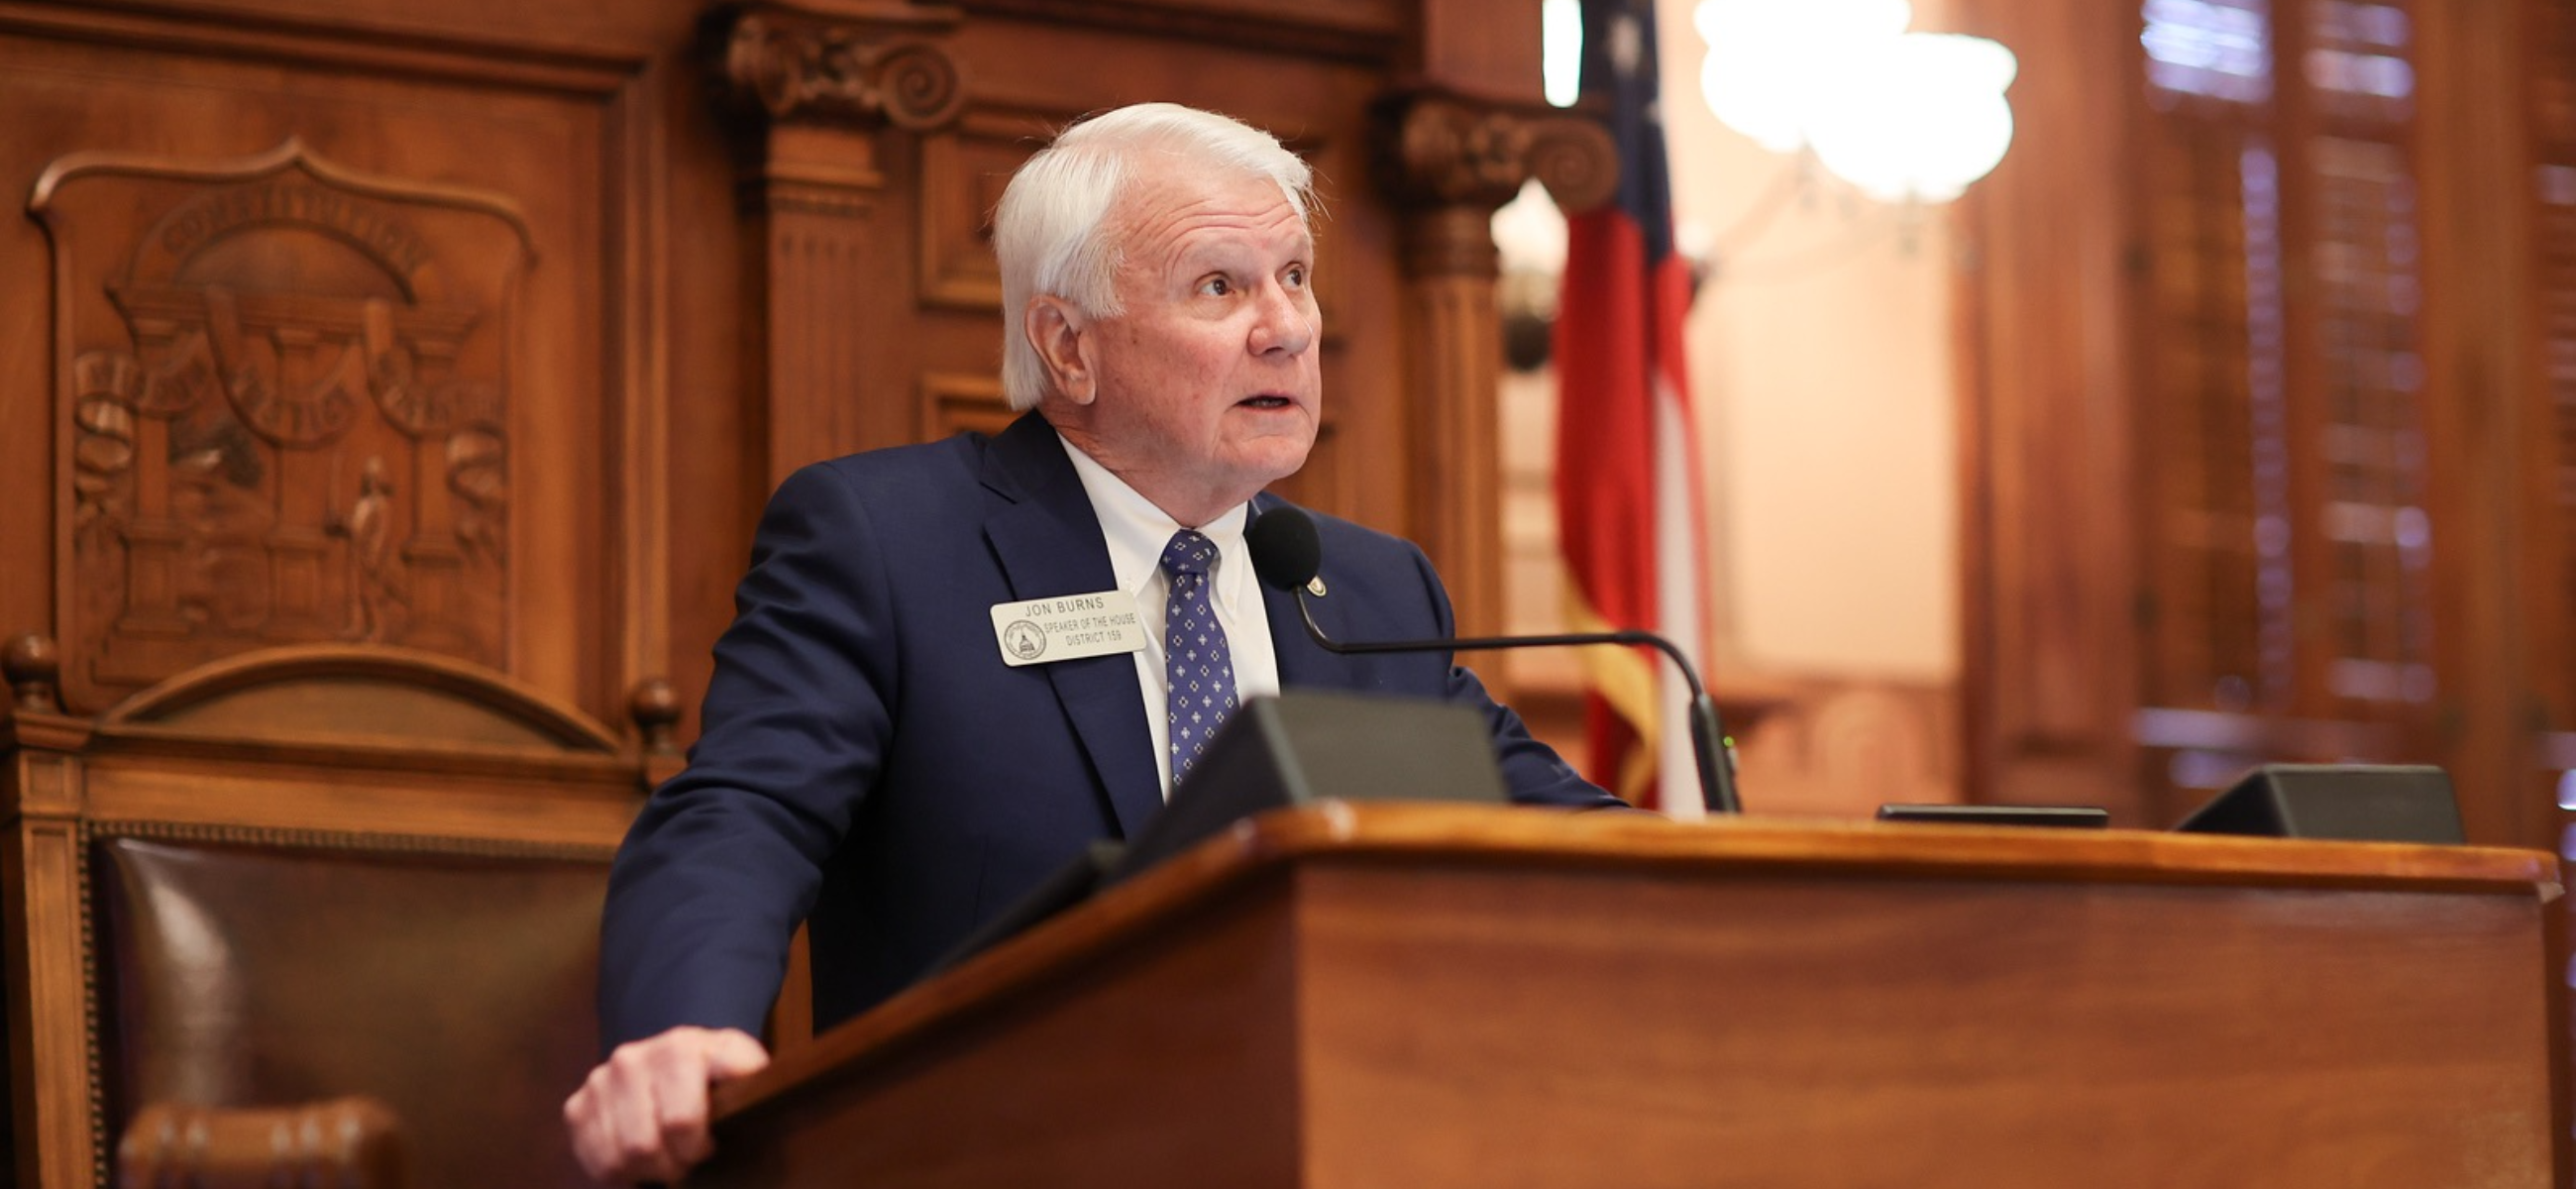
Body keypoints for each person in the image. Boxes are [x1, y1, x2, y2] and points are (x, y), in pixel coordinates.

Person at [562, 102, 1623, 1184]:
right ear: (1067, 346)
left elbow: (1560, 838)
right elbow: (743, 812)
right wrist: (677, 1032)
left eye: (1294, 276)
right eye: (1221, 286)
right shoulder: (889, 544)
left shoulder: (1364, 587)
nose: (1288, 328)